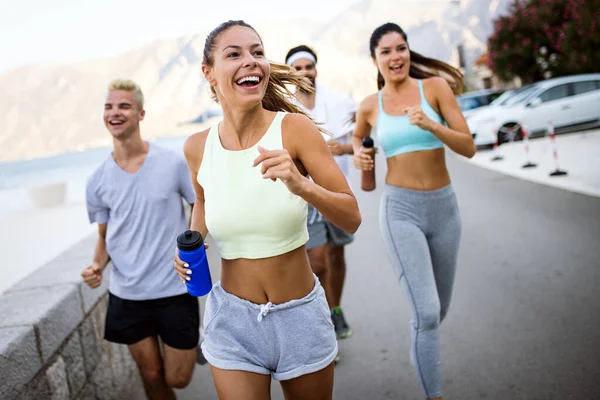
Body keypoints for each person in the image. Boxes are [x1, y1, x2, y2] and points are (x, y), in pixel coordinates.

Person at [173, 20, 361, 399]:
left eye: (258, 52)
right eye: (235, 54)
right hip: (232, 321)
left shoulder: (295, 130)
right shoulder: (196, 147)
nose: (251, 61)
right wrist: (191, 245)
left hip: (299, 316)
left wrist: (301, 185)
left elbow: (351, 216)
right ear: (209, 74)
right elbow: (204, 202)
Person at [352, 23, 475, 400]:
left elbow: (468, 146)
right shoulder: (370, 105)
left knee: (437, 312)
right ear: (375, 60)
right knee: (425, 313)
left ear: (409, 51)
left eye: (400, 48)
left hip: (444, 209)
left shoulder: (434, 89)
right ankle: (432, 393)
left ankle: (420, 352)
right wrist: (361, 152)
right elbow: (360, 139)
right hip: (400, 210)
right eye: (386, 51)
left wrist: (431, 125)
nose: (396, 57)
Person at [81, 79, 199, 400]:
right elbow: (104, 236)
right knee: (150, 373)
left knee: (178, 378)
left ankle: (191, 346)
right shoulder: (97, 182)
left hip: (174, 288)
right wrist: (96, 265)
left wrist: (192, 253)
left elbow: (198, 207)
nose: (114, 112)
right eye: (109, 106)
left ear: (140, 114)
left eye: (123, 106)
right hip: (128, 293)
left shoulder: (172, 163)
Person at [285, 45, 356, 342]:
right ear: (290, 74)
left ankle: (336, 308)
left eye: (308, 67)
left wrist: (343, 147)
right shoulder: (283, 109)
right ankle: (323, 320)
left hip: (337, 192)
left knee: (336, 254)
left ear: (316, 69)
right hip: (305, 195)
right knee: (318, 261)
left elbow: (362, 143)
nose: (304, 73)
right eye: (297, 69)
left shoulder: (338, 102)